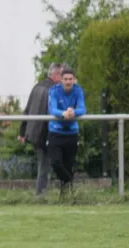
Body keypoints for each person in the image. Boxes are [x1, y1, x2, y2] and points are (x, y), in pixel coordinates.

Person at [19, 62, 63, 196]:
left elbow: (27, 109)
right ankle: (40, 194)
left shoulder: (37, 87)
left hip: (34, 132)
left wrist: (22, 132)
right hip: (45, 132)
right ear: (56, 75)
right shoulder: (54, 90)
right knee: (45, 165)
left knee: (44, 164)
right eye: (62, 75)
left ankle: (42, 192)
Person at [47, 68, 87, 199]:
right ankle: (71, 184)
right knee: (56, 163)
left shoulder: (78, 90)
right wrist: (63, 113)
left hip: (71, 133)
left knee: (68, 166)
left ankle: (65, 197)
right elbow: (52, 109)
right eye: (65, 79)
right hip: (55, 132)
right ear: (61, 80)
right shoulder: (54, 91)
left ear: (74, 80)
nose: (68, 82)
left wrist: (73, 112)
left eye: (70, 79)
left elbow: (82, 108)